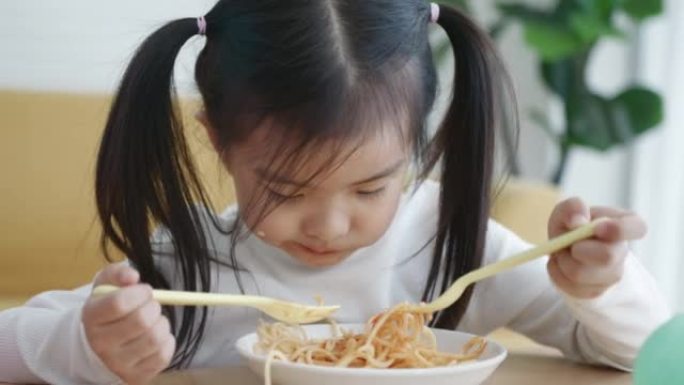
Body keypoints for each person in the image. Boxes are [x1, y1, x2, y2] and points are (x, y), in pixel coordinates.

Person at [0, 1, 671, 384]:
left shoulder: (454, 249)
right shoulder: (188, 264)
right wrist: (88, 346)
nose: (330, 223)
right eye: (286, 188)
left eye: (372, 185)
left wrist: (600, 286)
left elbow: (647, 352)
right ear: (218, 141)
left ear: (414, 143)